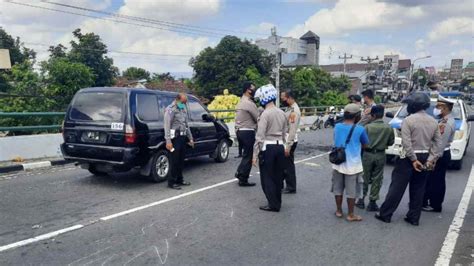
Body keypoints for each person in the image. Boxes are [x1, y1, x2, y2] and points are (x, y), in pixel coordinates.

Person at [375, 92, 442, 226]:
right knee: (418, 189)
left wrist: (413, 159)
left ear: (413, 105)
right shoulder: (433, 121)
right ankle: (414, 217)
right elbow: (438, 143)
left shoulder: (408, 120)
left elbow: (406, 143)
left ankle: (386, 214)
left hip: (408, 158)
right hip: (425, 157)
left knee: (397, 187)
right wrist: (430, 159)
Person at [252, 84, 288, 212]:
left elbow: (260, 136)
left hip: (268, 148)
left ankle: (272, 204)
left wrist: (255, 155)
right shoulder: (282, 113)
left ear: (263, 98)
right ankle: (277, 202)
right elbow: (285, 133)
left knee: (267, 177)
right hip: (280, 147)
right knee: (278, 177)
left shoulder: (265, 114)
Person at [331, 103, 369, 222]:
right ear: (357, 116)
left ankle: (338, 210)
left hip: (337, 162)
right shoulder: (360, 129)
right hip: (353, 165)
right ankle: (351, 214)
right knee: (352, 191)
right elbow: (365, 144)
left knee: (338, 188)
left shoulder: (337, 127)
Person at [423, 96, 456, 213]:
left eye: (438, 107)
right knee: (433, 180)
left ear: (445, 108)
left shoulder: (446, 123)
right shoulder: (443, 120)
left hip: (440, 155)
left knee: (436, 181)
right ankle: (428, 202)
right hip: (440, 154)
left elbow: (440, 143)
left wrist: (433, 158)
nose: (436, 109)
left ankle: (435, 205)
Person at [360, 105, 395, 211]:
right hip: (380, 154)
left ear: (373, 115)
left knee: (364, 177)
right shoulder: (388, 127)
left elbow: (362, 141)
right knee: (377, 178)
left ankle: (361, 200)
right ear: (383, 114)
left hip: (367, 154)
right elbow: (391, 142)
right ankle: (372, 202)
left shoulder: (367, 127)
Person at [164, 93, 194, 190]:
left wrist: (190, 138)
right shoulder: (170, 109)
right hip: (174, 139)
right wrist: (168, 141)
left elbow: (186, 125)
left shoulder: (182, 108)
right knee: (174, 160)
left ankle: (179, 179)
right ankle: (171, 182)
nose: (185, 103)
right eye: (183, 102)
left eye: (185, 102)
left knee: (181, 160)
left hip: (182, 138)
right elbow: (167, 126)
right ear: (177, 100)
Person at [234, 82, 259, 187]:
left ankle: (240, 172)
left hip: (240, 131)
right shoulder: (249, 103)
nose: (254, 90)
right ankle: (243, 179)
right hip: (247, 131)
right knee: (249, 156)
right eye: (253, 88)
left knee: (245, 154)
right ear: (248, 90)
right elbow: (257, 118)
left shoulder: (241, 101)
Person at [280, 90, 301, 194]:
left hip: (290, 140)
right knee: (285, 164)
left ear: (289, 98)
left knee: (288, 165)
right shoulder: (289, 108)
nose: (282, 100)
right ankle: (285, 184)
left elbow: (292, 130)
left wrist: (288, 146)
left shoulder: (294, 111)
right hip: (287, 139)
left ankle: (291, 187)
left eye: (283, 98)